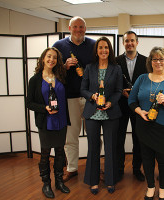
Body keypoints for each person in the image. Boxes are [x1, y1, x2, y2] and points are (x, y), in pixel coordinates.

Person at [128, 47, 164, 200]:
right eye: (155, 59)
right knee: (146, 158)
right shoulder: (142, 78)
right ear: (150, 62)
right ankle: (150, 187)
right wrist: (140, 112)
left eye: (161, 59)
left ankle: (163, 188)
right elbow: (131, 100)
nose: (158, 62)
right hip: (144, 125)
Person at [52, 16, 96, 182]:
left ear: (85, 29)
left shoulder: (93, 45)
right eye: (75, 27)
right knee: (71, 136)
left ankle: (95, 166)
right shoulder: (59, 46)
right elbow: (51, 71)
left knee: (93, 135)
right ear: (69, 28)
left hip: (91, 97)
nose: (78, 30)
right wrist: (64, 65)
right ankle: (72, 168)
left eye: (82, 27)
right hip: (69, 97)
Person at [26, 47, 70, 198]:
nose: (52, 60)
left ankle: (59, 180)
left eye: (55, 58)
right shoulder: (35, 80)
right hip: (46, 121)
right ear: (43, 58)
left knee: (59, 152)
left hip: (61, 119)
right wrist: (44, 108)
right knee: (45, 153)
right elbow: (29, 103)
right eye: (49, 56)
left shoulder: (61, 76)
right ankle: (46, 183)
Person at [81, 37, 122, 195]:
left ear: (109, 50)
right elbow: (83, 89)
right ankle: (93, 181)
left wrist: (110, 102)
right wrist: (92, 96)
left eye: (106, 47)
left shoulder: (116, 68)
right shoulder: (89, 67)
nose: (103, 50)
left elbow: (119, 90)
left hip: (110, 113)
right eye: (100, 48)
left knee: (111, 148)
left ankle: (111, 180)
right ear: (96, 51)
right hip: (92, 112)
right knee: (93, 147)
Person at [116, 31, 147, 182]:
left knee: (139, 139)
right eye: (127, 41)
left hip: (139, 106)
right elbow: (112, 82)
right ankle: (119, 170)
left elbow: (148, 83)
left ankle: (136, 169)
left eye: (132, 40)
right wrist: (120, 91)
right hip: (120, 105)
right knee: (119, 139)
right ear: (123, 43)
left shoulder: (146, 61)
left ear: (137, 42)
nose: (129, 43)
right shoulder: (115, 61)